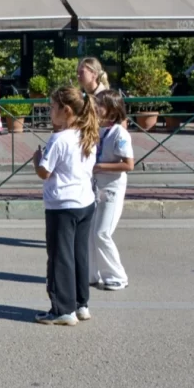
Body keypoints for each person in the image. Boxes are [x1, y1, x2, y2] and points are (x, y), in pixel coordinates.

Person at [32, 86, 99, 326]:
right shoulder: (88, 134)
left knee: (60, 257)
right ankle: (81, 304)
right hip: (85, 201)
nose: (50, 111)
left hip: (62, 204)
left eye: (52, 107)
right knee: (79, 254)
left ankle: (62, 309)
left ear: (66, 110)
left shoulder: (58, 139)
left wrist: (37, 160)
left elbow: (45, 172)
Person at [90, 90, 134, 290]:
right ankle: (91, 274)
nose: (96, 107)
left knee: (102, 232)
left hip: (112, 188)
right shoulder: (98, 130)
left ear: (112, 110)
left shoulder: (119, 133)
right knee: (90, 233)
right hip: (96, 186)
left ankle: (117, 276)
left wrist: (100, 167)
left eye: (100, 104)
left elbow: (128, 164)